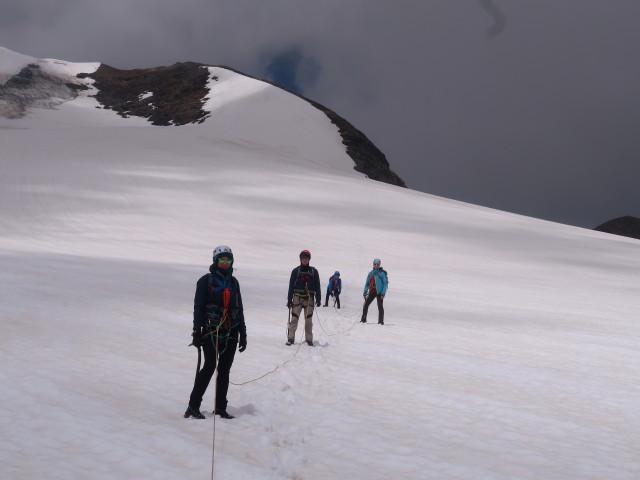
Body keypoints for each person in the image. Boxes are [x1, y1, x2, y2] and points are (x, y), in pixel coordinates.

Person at [184, 245, 247, 420]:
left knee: (224, 370)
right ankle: (193, 406)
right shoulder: (205, 281)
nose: (226, 263)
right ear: (215, 261)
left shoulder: (234, 283)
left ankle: (220, 408)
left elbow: (239, 308)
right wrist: (196, 331)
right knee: (209, 367)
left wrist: (243, 333)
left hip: (231, 331)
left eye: (229, 260)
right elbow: (198, 307)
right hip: (210, 332)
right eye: (222, 260)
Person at [286, 250, 321, 346]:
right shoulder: (295, 271)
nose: (305, 260)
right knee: (294, 319)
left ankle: (309, 340)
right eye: (303, 258)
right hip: (297, 298)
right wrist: (289, 300)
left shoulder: (314, 271)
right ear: (300, 259)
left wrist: (318, 298)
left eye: (306, 258)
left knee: (308, 321)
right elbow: (291, 287)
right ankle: (290, 339)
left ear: (309, 259)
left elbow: (317, 286)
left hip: (309, 299)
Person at [361, 258, 387, 325]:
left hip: (379, 292)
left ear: (379, 265)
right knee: (366, 305)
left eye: (377, 264)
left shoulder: (382, 274)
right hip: (372, 291)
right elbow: (367, 284)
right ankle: (363, 320)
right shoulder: (370, 273)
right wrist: (365, 293)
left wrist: (383, 293)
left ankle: (381, 322)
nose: (376, 265)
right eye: (375, 264)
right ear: (373, 264)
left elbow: (385, 283)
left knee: (380, 306)